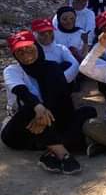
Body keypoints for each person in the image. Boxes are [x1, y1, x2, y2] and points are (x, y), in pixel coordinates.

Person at [1, 30, 95, 174]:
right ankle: (63, 154)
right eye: (20, 52)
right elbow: (21, 91)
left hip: (47, 124)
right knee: (29, 108)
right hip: (22, 130)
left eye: (29, 49)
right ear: (15, 55)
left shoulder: (52, 68)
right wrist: (38, 107)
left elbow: (62, 99)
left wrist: (42, 118)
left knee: (88, 111)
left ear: (37, 47)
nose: (26, 55)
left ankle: (50, 152)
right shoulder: (12, 71)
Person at [31, 18, 79, 86]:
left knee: (67, 64)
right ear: (34, 34)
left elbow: (75, 65)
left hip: (63, 85)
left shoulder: (61, 48)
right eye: (42, 33)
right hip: (44, 88)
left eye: (50, 32)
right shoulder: (31, 54)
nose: (47, 35)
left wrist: (60, 80)